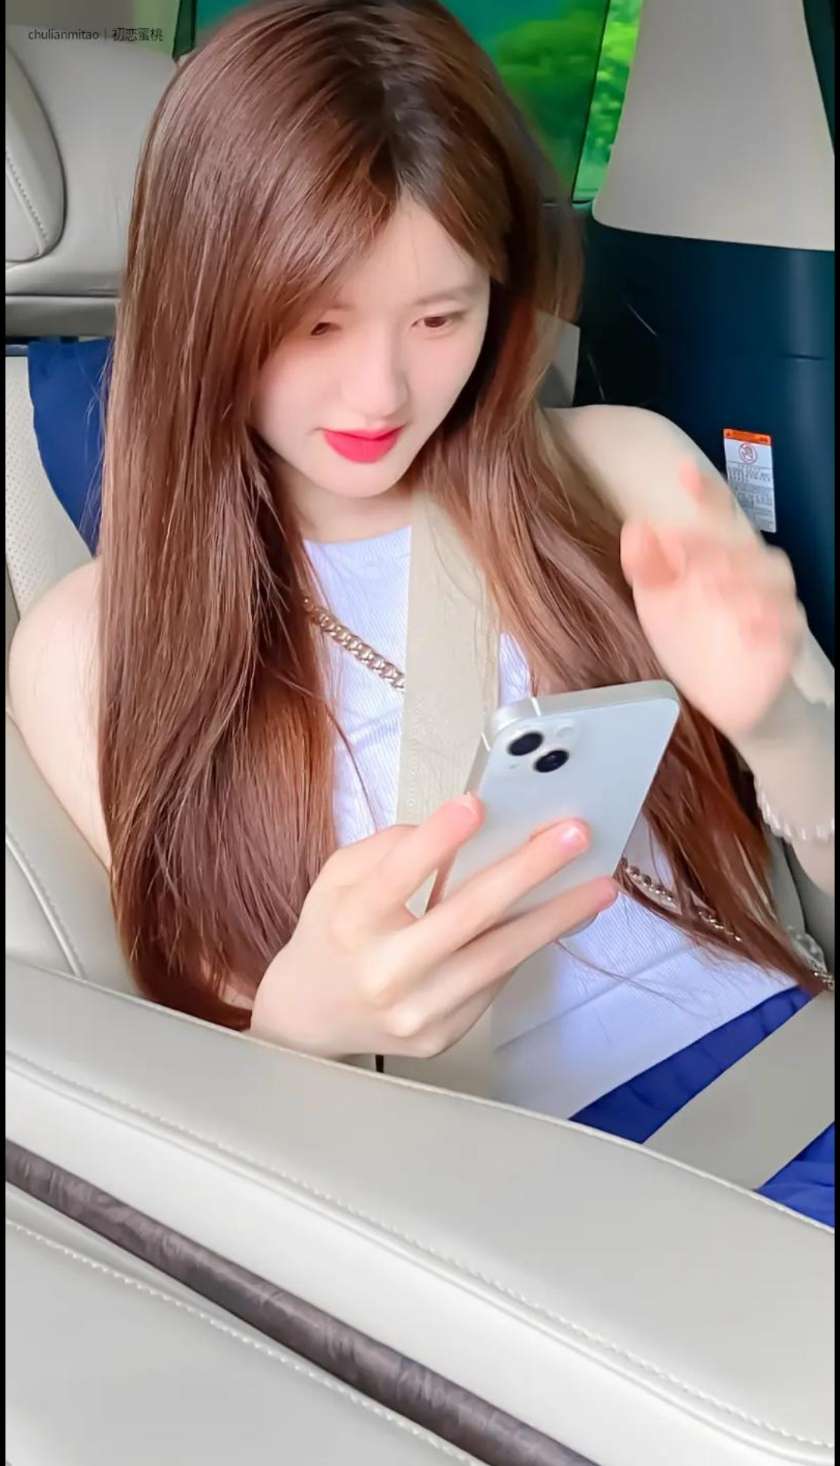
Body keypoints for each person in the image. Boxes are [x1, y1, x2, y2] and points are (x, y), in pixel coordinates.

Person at [9, 0, 834, 1222]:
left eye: (441, 315)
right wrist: (298, 1024)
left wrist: (784, 732)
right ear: (205, 308)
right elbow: (226, 1162)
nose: (381, 391)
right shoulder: (92, 648)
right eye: (314, 322)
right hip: (533, 1224)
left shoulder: (624, 473)